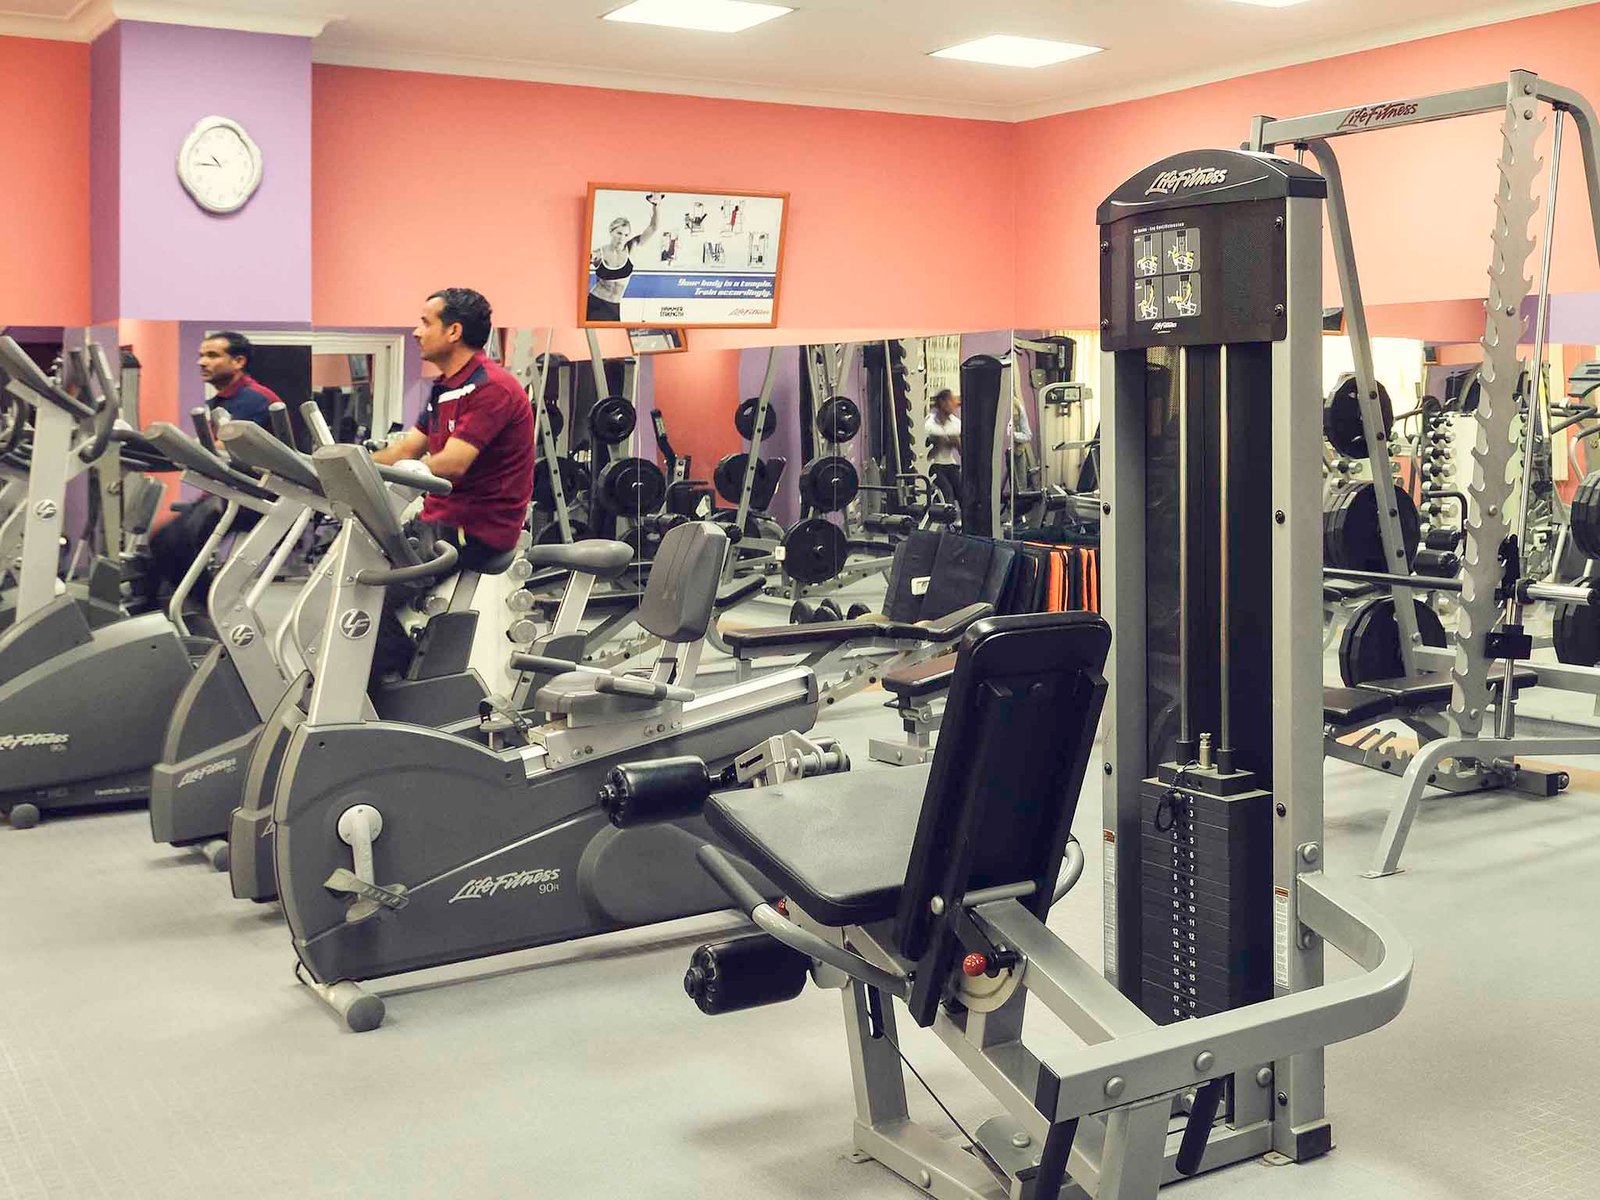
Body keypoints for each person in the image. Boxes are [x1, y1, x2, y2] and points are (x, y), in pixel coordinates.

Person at [369, 287, 534, 679]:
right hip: (440, 520)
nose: (416, 332)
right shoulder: (445, 388)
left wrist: (411, 468)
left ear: (453, 331)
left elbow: (454, 464)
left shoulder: (491, 387)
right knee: (352, 575)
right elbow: (407, 448)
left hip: (474, 530)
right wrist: (351, 462)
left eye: (425, 323)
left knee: (367, 597)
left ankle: (401, 686)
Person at [143, 332, 279, 607]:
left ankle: (207, 608)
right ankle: (170, 609)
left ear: (238, 361)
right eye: (201, 355)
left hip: (256, 496)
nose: (202, 362)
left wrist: (184, 447)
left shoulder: (254, 399)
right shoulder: (220, 402)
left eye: (212, 355)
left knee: (172, 543)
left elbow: (225, 446)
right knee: (163, 542)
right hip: (228, 492)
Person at [587, 194, 661, 322]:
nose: (622, 238)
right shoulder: (599, 253)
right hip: (595, 303)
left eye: (626, 235)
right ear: (611, 232)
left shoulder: (632, 248)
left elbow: (653, 227)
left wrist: (656, 206)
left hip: (614, 307)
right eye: (619, 233)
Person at [926, 388, 962, 509]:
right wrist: (938, 441)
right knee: (947, 491)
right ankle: (948, 518)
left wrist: (957, 443)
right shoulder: (929, 424)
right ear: (942, 403)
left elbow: (962, 452)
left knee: (963, 491)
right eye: (951, 400)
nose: (955, 404)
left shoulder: (956, 423)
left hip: (950, 464)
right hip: (934, 465)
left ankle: (968, 519)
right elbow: (925, 450)